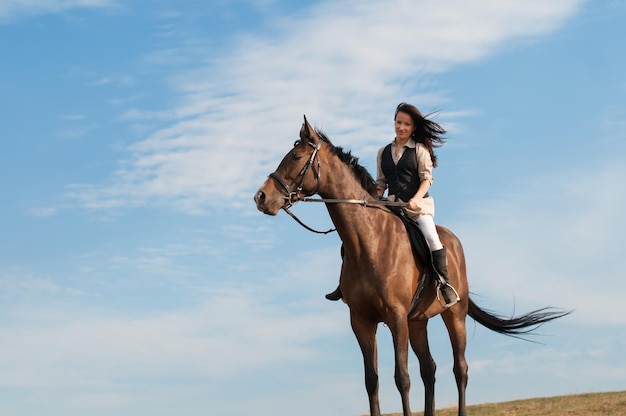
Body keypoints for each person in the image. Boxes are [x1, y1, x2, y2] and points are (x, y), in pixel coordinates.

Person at [325, 102, 460, 308]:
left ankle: (444, 284)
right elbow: (381, 183)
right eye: (398, 122)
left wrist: (416, 199)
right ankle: (344, 284)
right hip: (391, 207)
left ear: (413, 127)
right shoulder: (383, 152)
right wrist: (373, 198)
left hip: (417, 208)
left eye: (406, 124)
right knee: (353, 238)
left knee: (432, 238)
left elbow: (426, 180)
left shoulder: (420, 150)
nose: (401, 127)